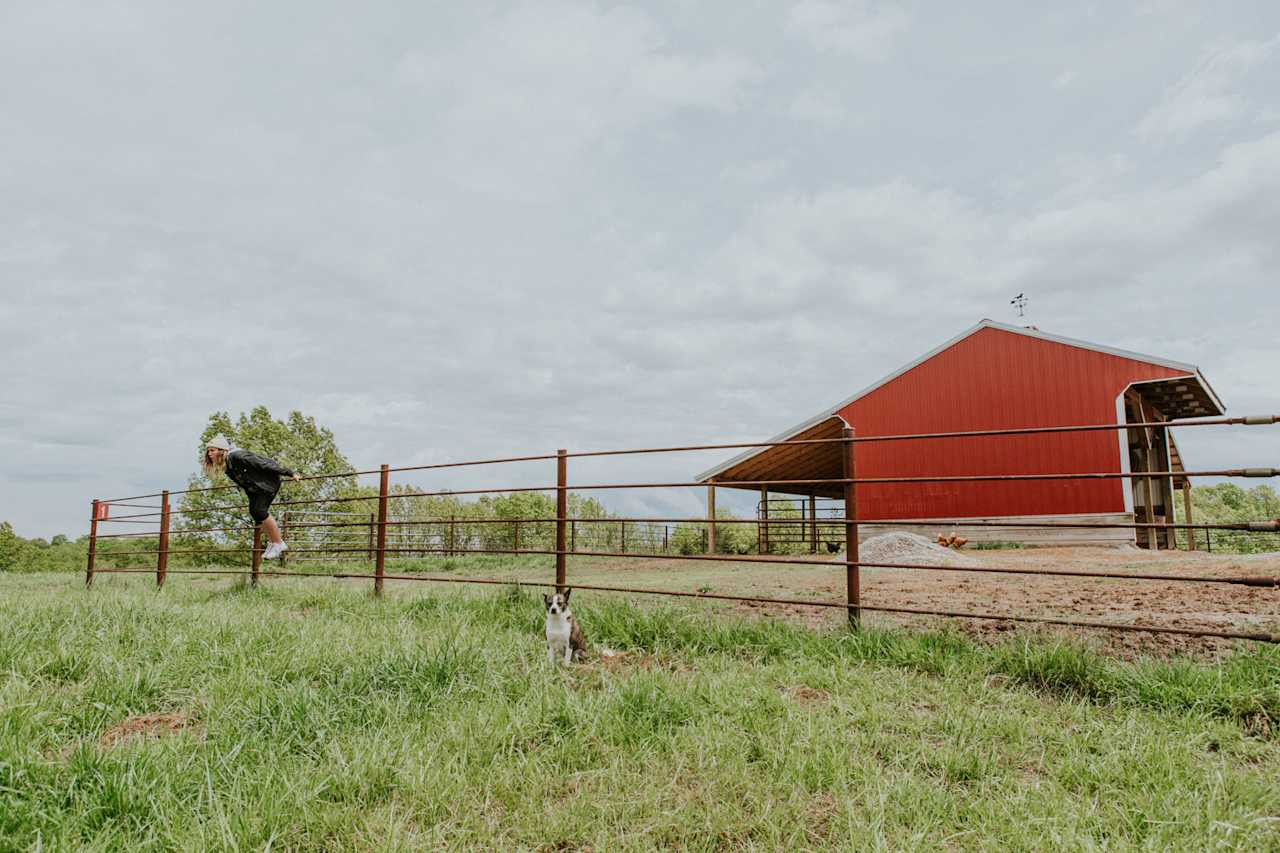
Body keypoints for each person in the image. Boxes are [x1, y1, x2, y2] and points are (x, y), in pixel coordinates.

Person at [201, 434, 301, 560]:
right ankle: (273, 542)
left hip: (267, 483)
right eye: (208, 451)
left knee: (260, 511)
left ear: (222, 450)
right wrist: (251, 496)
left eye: (212, 450)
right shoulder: (227, 464)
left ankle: (278, 543)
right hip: (255, 489)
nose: (209, 453)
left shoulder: (237, 456)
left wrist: (289, 472)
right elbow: (242, 481)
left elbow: (262, 464)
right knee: (255, 513)